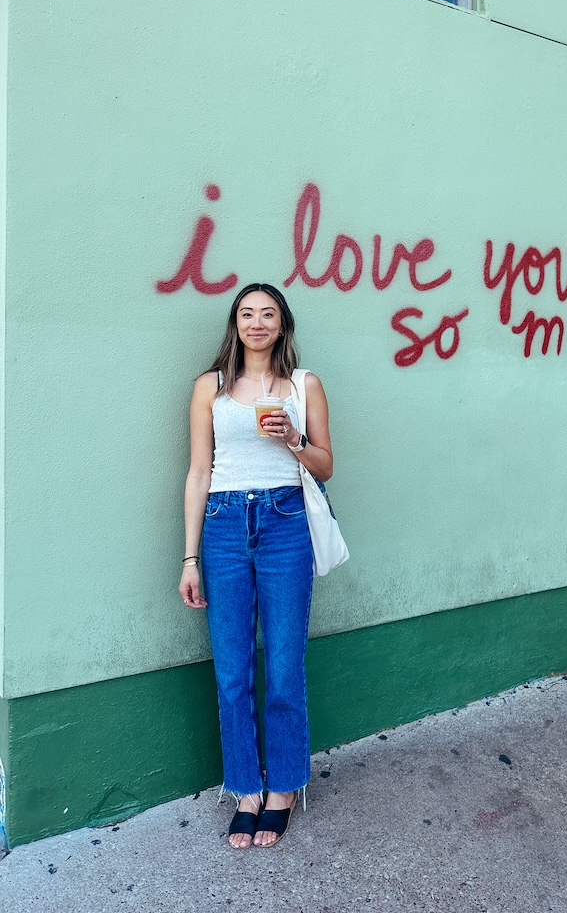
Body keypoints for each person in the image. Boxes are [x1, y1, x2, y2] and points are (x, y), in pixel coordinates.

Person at [178, 282, 333, 849]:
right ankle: (245, 787)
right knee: (232, 670)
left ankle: (284, 788)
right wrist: (190, 556)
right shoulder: (210, 387)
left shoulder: (303, 385)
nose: (257, 322)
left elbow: (326, 463)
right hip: (221, 526)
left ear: (282, 324)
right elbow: (199, 473)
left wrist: (292, 437)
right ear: (235, 324)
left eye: (268, 313)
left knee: (286, 666)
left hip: (284, 521)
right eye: (247, 313)